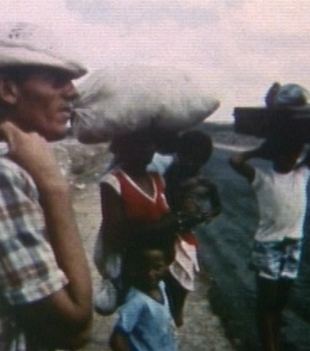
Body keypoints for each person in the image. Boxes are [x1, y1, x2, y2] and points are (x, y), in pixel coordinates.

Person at [0, 22, 92, 351]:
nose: (73, 92)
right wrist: (55, 188)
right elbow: (75, 328)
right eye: (56, 80)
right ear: (8, 89)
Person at [229, 137, 310, 351]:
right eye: (285, 153)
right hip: (268, 246)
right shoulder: (262, 179)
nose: (292, 158)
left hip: (293, 245)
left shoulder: (301, 175)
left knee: (280, 302)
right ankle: (269, 347)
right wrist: (257, 151)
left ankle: (272, 338)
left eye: (295, 153)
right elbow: (234, 161)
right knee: (266, 303)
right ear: (274, 154)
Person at [94, 130, 180, 316]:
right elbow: (117, 235)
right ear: (124, 148)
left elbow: (166, 215)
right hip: (134, 268)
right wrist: (165, 225)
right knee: (136, 315)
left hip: (157, 264)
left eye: (150, 144)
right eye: (140, 144)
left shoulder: (156, 179)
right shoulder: (112, 182)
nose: (149, 149)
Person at [163, 130, 221, 327]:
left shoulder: (206, 183)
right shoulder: (169, 175)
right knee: (163, 277)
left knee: (183, 278)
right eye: (187, 157)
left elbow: (218, 207)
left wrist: (206, 215)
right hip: (164, 232)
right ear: (180, 154)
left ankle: (176, 313)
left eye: (196, 160)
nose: (190, 163)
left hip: (186, 236)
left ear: (204, 160)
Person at [109, 232, 178, 351]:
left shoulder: (161, 286)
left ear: (167, 265)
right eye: (143, 267)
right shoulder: (137, 301)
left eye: (157, 268)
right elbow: (117, 339)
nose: (150, 274)